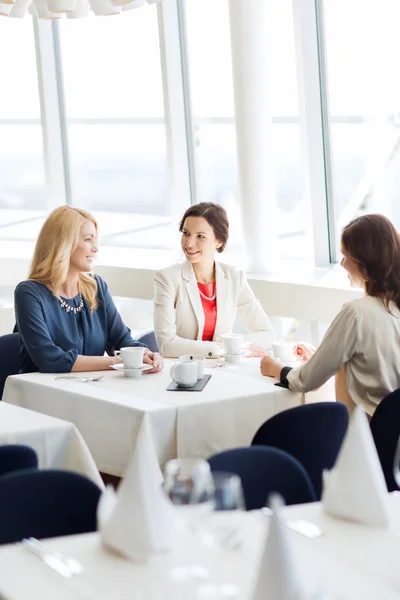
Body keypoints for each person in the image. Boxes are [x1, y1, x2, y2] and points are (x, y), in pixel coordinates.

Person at [260, 213, 400, 417]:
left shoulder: (356, 313)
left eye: (346, 257)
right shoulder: (391, 309)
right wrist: (323, 356)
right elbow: (376, 364)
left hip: (363, 436)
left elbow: (307, 381)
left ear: (365, 264)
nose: (342, 265)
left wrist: (275, 367)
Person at [14, 206, 163, 375]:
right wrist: (117, 361)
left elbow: (122, 340)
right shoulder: (29, 293)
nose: (95, 248)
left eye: (95, 240)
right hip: (42, 393)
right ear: (64, 243)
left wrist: (145, 354)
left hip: (89, 388)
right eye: (88, 240)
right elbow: (50, 359)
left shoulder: (96, 286)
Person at [153, 202, 275, 358]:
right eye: (186, 233)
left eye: (200, 236)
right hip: (183, 370)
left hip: (223, 369)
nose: (189, 243)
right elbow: (167, 345)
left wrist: (234, 346)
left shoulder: (234, 277)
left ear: (219, 241)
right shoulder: (167, 278)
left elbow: (266, 333)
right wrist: (223, 348)